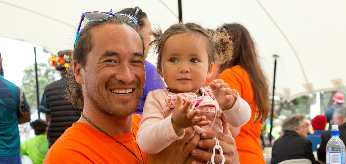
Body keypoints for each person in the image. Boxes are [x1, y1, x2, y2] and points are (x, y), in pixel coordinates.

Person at [44, 14, 239, 164]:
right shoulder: (68, 154)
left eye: (136, 61)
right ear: (78, 71)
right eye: (110, 61)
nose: (127, 76)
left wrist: (231, 158)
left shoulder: (152, 123)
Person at [136, 22, 251, 157]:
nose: (184, 68)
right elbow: (145, 142)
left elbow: (242, 119)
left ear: (209, 69)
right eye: (173, 60)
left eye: (194, 60)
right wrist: (174, 124)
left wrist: (230, 103)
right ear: (160, 69)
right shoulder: (158, 98)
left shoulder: (213, 95)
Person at [216, 23, 270, 164]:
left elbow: (232, 127)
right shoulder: (255, 79)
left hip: (236, 155)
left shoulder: (230, 75)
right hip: (255, 155)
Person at [119, 7, 165, 114]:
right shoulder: (148, 71)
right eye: (148, 34)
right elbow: (164, 111)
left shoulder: (104, 67)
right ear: (135, 35)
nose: (150, 40)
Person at [0, 45, 31, 164]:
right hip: (9, 154)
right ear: (0, 61)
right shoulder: (15, 90)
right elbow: (27, 116)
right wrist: (8, 120)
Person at [39, 50, 82, 148]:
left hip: (56, 140)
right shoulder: (82, 86)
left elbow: (47, 118)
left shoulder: (49, 89)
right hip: (79, 138)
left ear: (57, 67)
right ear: (74, 64)